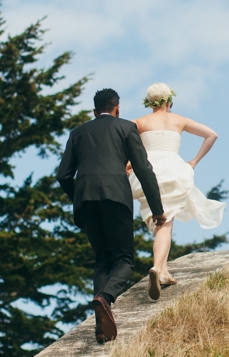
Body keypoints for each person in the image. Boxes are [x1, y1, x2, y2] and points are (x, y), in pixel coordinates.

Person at [57, 88, 166, 343]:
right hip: (116, 197)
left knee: (103, 261)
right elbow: (143, 168)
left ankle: (101, 327)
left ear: (94, 112)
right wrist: (157, 209)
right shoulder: (126, 128)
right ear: (117, 109)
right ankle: (105, 299)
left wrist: (78, 197)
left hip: (85, 201)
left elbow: (63, 176)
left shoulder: (77, 133)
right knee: (124, 260)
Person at [128, 83, 225, 301]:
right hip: (173, 170)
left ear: (149, 102)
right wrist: (194, 161)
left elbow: (121, 143)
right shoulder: (179, 120)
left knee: (159, 223)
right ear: (169, 100)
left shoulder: (138, 122)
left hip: (146, 171)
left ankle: (161, 270)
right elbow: (212, 135)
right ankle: (158, 268)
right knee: (165, 223)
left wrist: (127, 162)